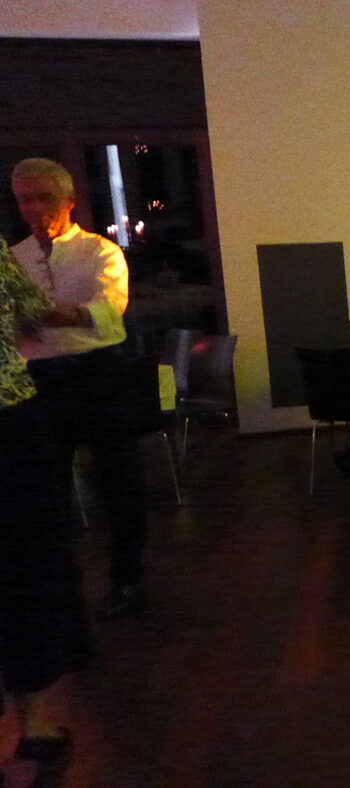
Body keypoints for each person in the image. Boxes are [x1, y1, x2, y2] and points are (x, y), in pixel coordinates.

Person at [11, 157, 149, 621]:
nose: (33, 208)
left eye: (43, 197)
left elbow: (109, 309)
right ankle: (58, 591)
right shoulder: (14, 259)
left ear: (69, 200)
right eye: (24, 199)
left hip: (99, 375)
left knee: (119, 482)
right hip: (40, 379)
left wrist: (53, 316)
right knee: (45, 491)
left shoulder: (100, 252)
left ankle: (128, 582)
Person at [0, 236, 92, 769]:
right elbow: (34, 311)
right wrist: (91, 315)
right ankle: (31, 723)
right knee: (24, 568)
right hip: (8, 417)